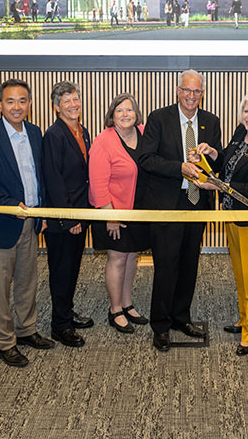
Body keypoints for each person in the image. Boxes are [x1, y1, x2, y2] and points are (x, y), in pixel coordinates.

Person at [0, 79, 55, 367]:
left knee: (28, 281)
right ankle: (5, 342)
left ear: (30, 104)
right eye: (10, 101)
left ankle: (27, 329)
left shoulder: (34, 132)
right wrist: (8, 206)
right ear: (0, 104)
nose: (16, 106)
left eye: (22, 101)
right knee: (0, 287)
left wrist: (40, 213)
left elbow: (38, 177)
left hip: (30, 222)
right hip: (0, 225)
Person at [136, 70, 222, 352]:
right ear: (177, 90)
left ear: (202, 93)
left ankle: (181, 317)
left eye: (197, 92)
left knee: (189, 264)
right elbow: (146, 159)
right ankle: (160, 325)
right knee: (166, 267)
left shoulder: (211, 122)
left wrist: (212, 155)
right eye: (187, 90)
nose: (191, 96)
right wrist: (179, 168)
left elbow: (219, 162)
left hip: (196, 203)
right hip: (167, 205)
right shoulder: (159, 119)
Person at [197, 90, 248, 355]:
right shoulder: (239, 133)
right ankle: (245, 319)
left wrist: (217, 186)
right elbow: (226, 162)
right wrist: (211, 153)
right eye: (246, 111)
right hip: (232, 216)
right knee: (240, 274)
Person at [89, 94, 151, 334]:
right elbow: (97, 182)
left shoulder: (144, 133)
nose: (125, 114)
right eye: (120, 110)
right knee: (117, 259)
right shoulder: (103, 141)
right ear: (111, 115)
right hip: (114, 212)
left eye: (130, 110)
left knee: (132, 258)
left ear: (136, 114)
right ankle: (115, 309)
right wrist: (110, 215)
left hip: (138, 211)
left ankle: (127, 303)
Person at [41, 81, 94, 348]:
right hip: (63, 220)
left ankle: (67, 313)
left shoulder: (81, 131)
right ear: (56, 107)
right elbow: (54, 180)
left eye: (75, 99)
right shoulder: (54, 135)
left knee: (73, 268)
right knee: (61, 271)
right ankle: (59, 325)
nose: (73, 105)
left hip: (80, 213)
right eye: (66, 101)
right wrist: (70, 218)